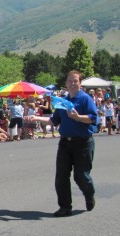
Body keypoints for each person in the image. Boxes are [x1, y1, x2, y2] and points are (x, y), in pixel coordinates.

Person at [27, 70, 98, 217]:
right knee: (61, 176)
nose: (72, 84)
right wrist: (36, 118)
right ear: (66, 83)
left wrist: (78, 117)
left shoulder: (85, 99)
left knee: (81, 176)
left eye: (75, 81)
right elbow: (54, 121)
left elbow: (93, 118)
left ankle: (89, 194)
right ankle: (65, 207)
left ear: (80, 83)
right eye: (69, 81)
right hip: (65, 142)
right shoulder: (62, 101)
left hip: (83, 143)